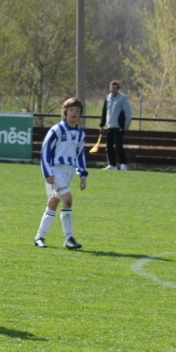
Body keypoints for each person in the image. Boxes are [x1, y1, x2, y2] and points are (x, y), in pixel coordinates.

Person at [34, 97, 88, 250]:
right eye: (71, 110)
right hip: (55, 170)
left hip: (69, 171)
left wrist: (82, 174)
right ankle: (69, 238)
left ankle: (39, 237)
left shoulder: (80, 134)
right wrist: (47, 173)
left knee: (53, 203)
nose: (74, 113)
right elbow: (45, 151)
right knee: (67, 198)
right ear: (65, 112)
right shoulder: (57, 130)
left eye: (77, 111)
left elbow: (80, 155)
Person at [99, 80, 132, 170]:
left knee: (118, 146)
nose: (112, 89)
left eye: (114, 88)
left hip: (119, 126)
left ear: (118, 89)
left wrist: (127, 124)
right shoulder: (108, 98)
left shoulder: (123, 98)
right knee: (109, 146)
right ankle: (112, 165)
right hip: (109, 126)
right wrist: (102, 124)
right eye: (111, 87)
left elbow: (127, 112)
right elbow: (104, 112)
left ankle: (123, 164)